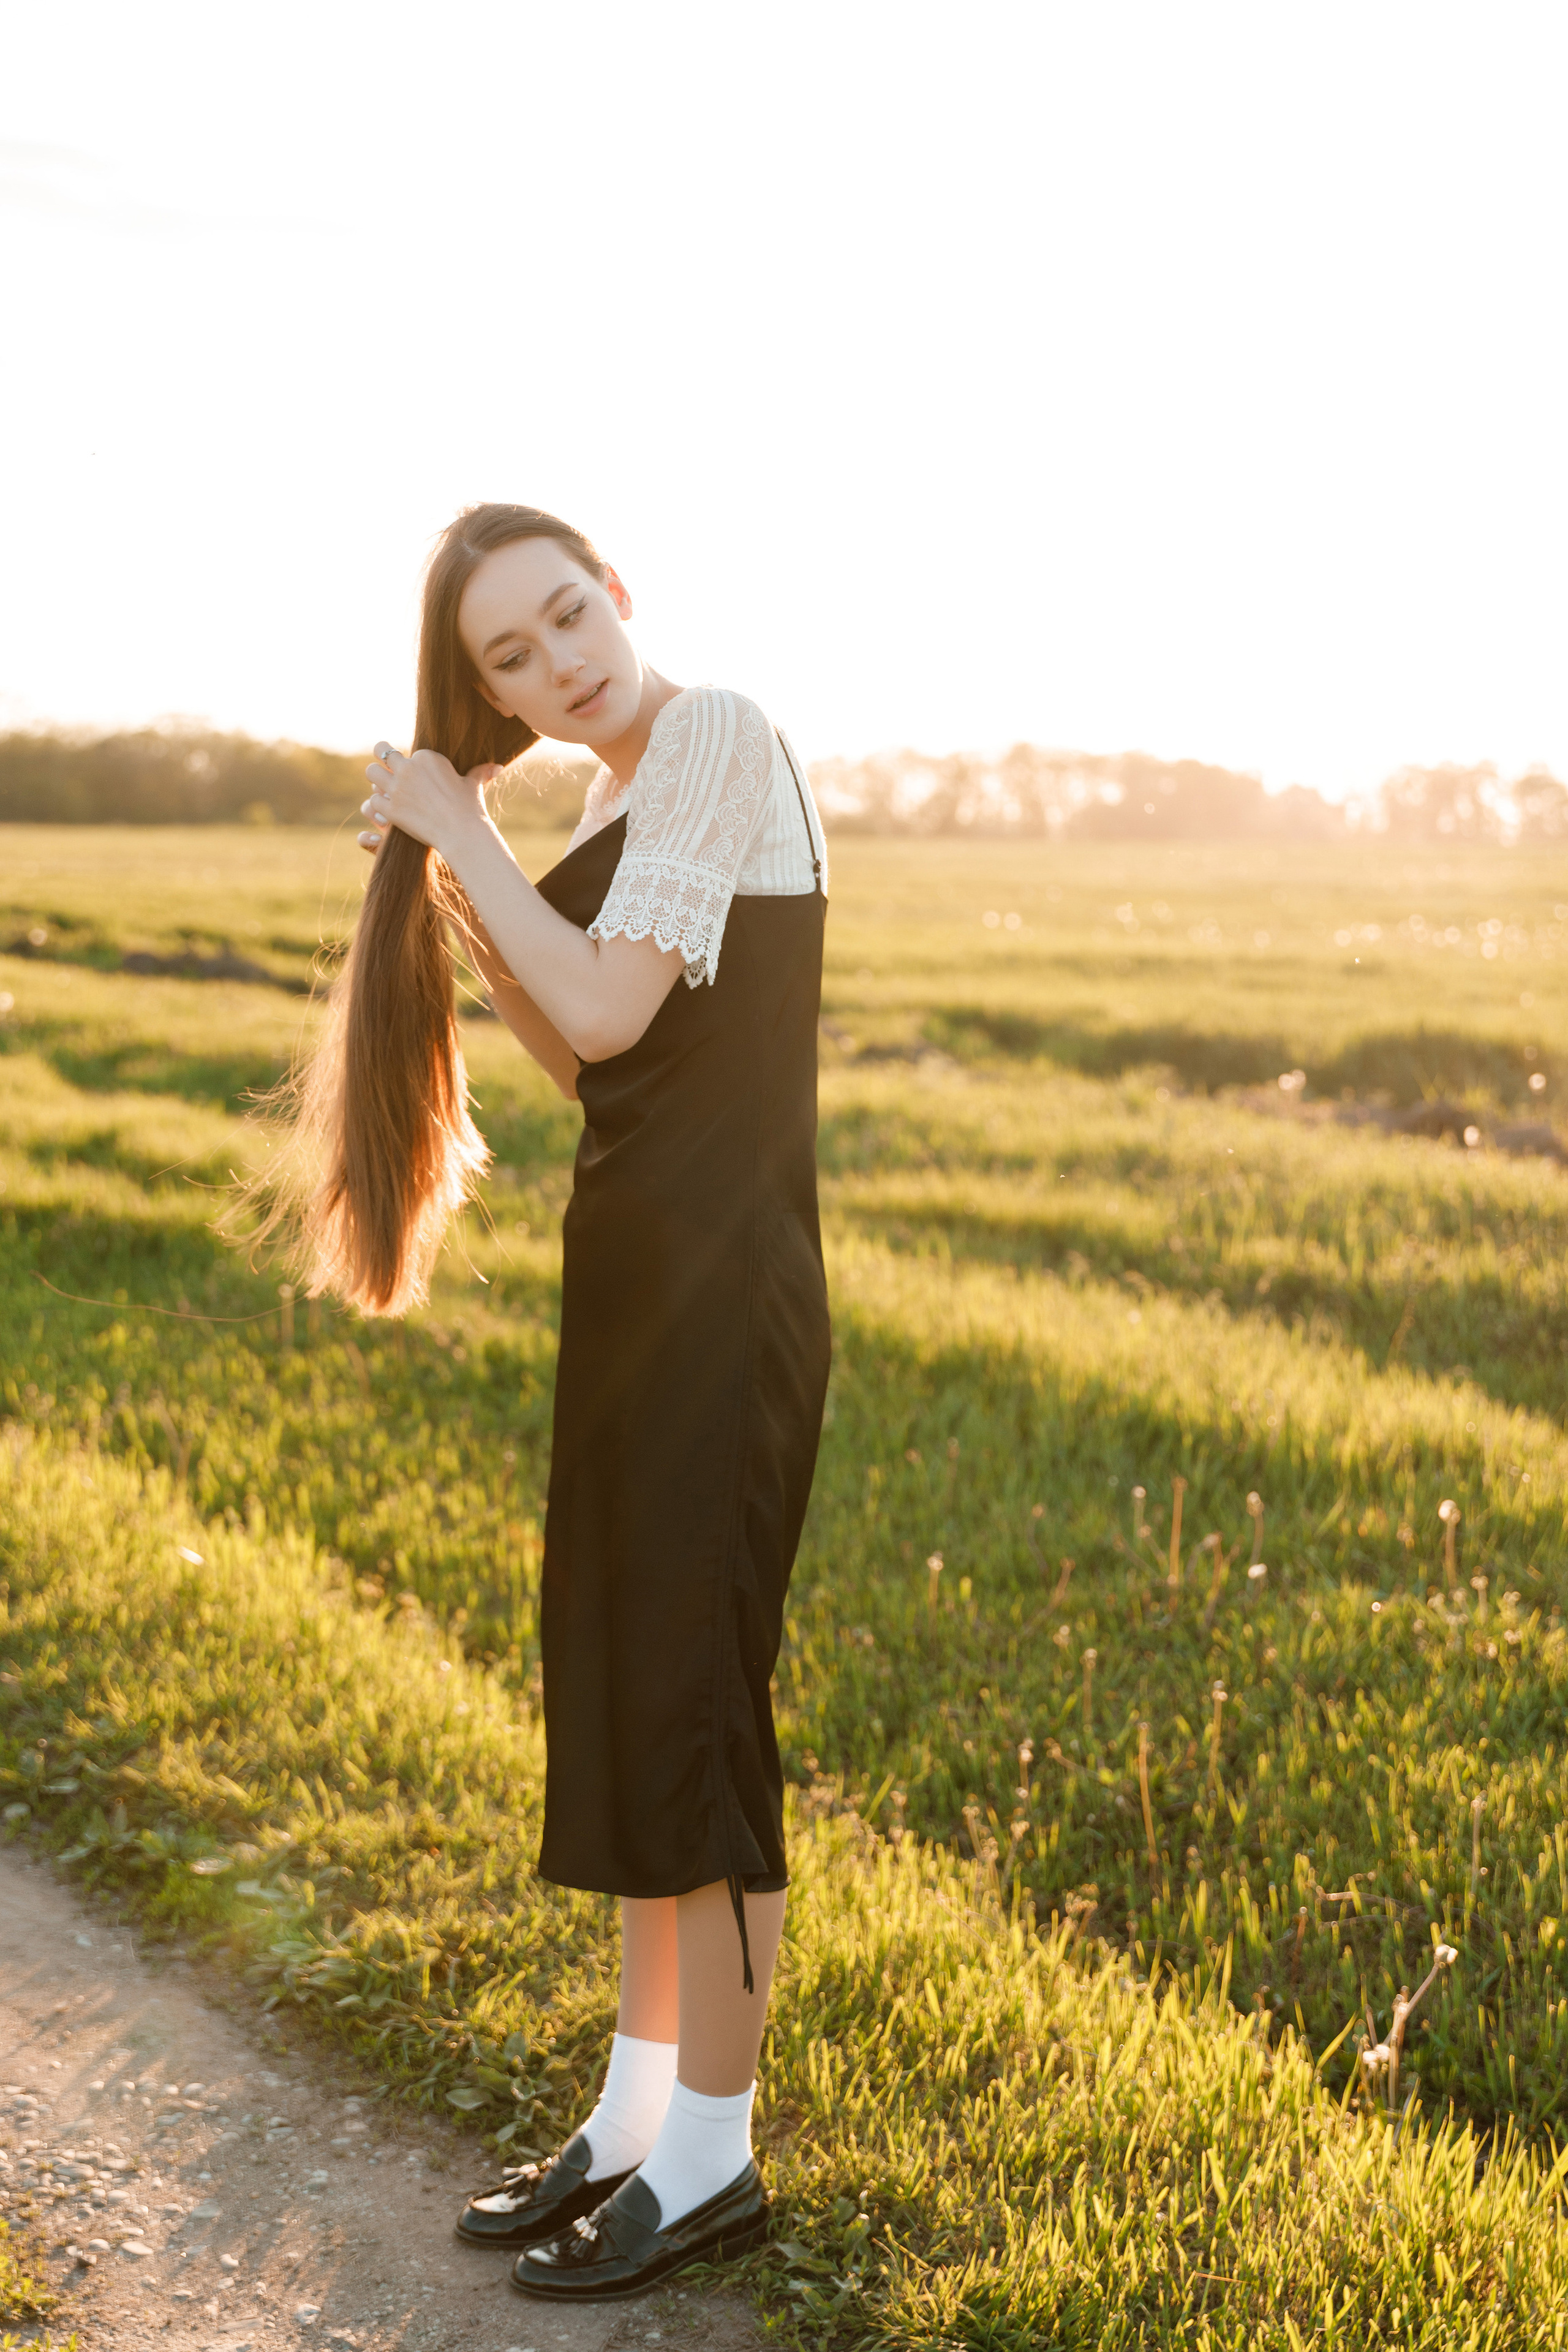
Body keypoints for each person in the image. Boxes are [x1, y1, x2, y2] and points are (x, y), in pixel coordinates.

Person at [314, 503, 831, 2302]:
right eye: (509, 659)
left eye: (564, 617)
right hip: (633, 1297)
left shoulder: (717, 734)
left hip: (730, 1304)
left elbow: (613, 1012)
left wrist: (465, 826)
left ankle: (715, 2156)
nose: (557, 665)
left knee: (700, 1710)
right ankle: (629, 2122)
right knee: (627, 1689)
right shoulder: (614, 804)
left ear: (619, 590)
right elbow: (586, 1063)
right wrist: (463, 885)